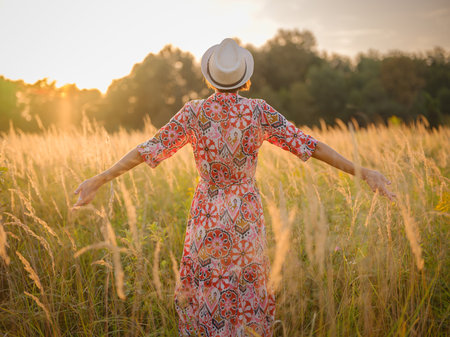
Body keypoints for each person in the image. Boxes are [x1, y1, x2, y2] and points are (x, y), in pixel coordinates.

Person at [73, 38, 396, 336]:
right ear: (245, 79)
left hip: (206, 213)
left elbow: (147, 150)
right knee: (246, 285)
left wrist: (98, 179)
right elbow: (311, 146)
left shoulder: (194, 113)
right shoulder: (258, 111)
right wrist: (363, 171)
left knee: (206, 287)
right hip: (245, 212)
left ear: (209, 77)